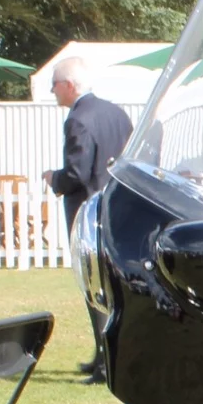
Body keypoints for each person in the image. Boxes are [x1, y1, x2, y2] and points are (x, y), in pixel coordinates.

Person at [43, 56, 133, 384]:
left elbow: (77, 174)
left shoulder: (78, 119)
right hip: (119, 210)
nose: (52, 90)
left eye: (54, 84)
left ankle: (106, 364)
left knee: (95, 287)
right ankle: (104, 355)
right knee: (115, 287)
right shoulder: (118, 114)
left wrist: (53, 178)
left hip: (90, 214)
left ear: (69, 85)